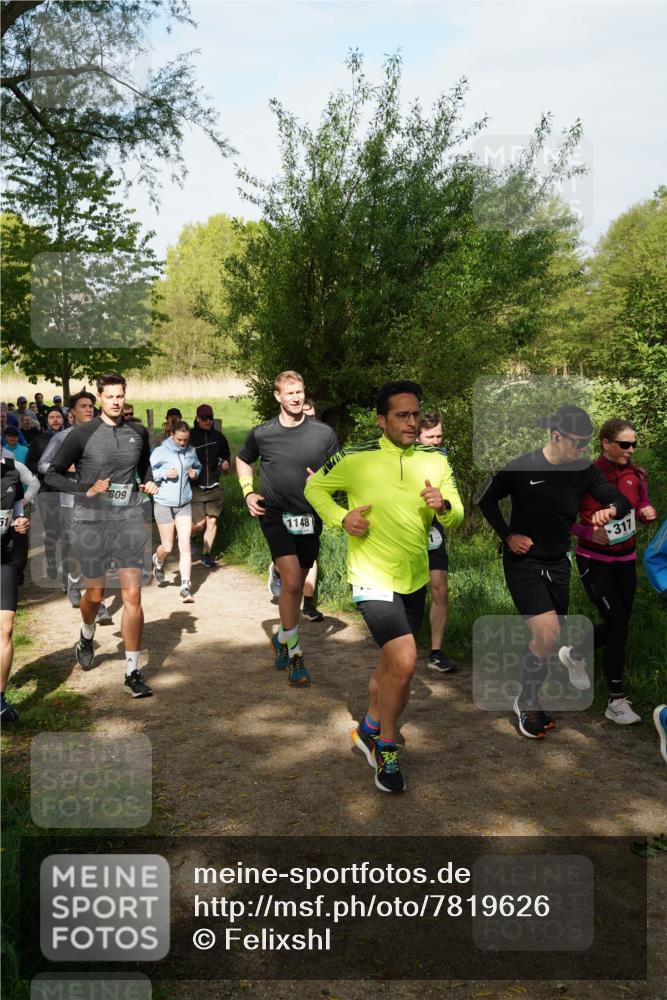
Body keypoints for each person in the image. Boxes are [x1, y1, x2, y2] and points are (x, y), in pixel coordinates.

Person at [305, 380, 464, 792]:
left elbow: (457, 513)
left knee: (394, 666)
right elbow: (315, 487)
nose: (412, 422)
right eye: (402, 415)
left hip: (413, 577)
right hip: (371, 578)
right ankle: (386, 750)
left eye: (416, 414)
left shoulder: (436, 459)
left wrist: (443, 507)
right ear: (382, 420)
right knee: (407, 660)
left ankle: (368, 727)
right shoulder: (357, 456)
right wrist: (342, 518)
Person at [476, 405, 631, 740]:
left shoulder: (584, 470)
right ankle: (528, 701)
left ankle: (528, 695)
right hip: (524, 562)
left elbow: (617, 498)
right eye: (577, 443)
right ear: (556, 436)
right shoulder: (522, 465)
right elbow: (486, 500)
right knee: (545, 632)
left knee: (548, 638)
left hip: (559, 563)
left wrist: (611, 509)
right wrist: (508, 535)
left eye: (587, 444)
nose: (582, 450)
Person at [45, 373, 159, 698]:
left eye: (120, 396)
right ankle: (86, 631)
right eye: (110, 397)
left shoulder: (137, 431)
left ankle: (132, 672)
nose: (116, 402)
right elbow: (51, 474)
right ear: (100, 397)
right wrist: (87, 488)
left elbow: (146, 468)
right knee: (94, 596)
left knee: (133, 595)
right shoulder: (82, 435)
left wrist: (149, 482)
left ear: (125, 396)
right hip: (91, 521)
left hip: (129, 519)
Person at [237, 371, 339, 686]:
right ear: (278, 396)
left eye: (300, 392)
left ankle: (282, 636)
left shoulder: (323, 434)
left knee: (297, 582)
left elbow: (340, 469)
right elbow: (243, 460)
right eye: (290, 392)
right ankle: (296, 656)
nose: (296, 397)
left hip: (310, 514)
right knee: (293, 580)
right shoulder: (263, 433)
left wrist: (323, 480)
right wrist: (247, 491)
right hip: (274, 512)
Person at [560, 419, 657, 724]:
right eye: (624, 444)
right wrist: (588, 533)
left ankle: (574, 654)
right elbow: (562, 520)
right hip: (594, 560)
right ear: (605, 443)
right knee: (617, 623)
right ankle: (616, 700)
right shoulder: (585, 474)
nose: (631, 450)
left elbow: (642, 505)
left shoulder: (636, 474)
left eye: (634, 444)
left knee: (620, 623)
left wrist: (646, 514)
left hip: (626, 560)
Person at [36, 392, 108, 616]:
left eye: (91, 406)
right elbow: (42, 466)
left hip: (101, 501)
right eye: (83, 406)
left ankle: (99, 601)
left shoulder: (103, 435)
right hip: (70, 501)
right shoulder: (62, 438)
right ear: (72, 412)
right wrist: (68, 468)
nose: (89, 410)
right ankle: (74, 578)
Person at [417, 411, 458, 673]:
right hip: (403, 532)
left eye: (439, 436)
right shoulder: (402, 456)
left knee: (440, 588)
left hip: (433, 531)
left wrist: (444, 505)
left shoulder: (442, 457)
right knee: (407, 592)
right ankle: (400, 643)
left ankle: (436, 652)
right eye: (429, 436)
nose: (435, 441)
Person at [1, 452, 40, 724]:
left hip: (4, 557)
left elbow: (15, 512)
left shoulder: (12, 471)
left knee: (6, 626)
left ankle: (0, 700)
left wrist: (20, 523)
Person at [150, 417, 202, 602]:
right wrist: (164, 474)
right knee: (168, 546)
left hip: (184, 504)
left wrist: (195, 473)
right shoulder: (160, 451)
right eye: (179, 439)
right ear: (172, 435)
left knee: (185, 545)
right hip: (164, 503)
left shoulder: (191, 451)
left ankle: (186, 586)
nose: (182, 443)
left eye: (185, 440)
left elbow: (197, 467)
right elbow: (147, 472)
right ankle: (158, 559)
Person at [26, 407, 66, 579]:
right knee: (51, 530)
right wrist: (47, 470)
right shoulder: (38, 440)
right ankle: (50, 560)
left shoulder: (70, 437)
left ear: (63, 419)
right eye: (52, 417)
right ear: (46, 420)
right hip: (46, 491)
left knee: (67, 530)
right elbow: (30, 462)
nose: (55, 420)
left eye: (58, 417)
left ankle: (67, 568)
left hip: (67, 490)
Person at [190, 404, 231, 568]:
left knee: (212, 522)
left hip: (214, 486)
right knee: (198, 525)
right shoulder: (190, 437)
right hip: (195, 487)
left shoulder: (219, 437)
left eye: (210, 418)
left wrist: (226, 464)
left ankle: (207, 554)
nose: (208, 421)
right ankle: (189, 536)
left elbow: (225, 457)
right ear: (198, 419)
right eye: (204, 419)